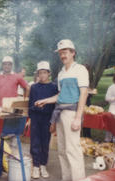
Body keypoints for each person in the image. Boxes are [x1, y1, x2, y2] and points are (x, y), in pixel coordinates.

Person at [35, 39, 88, 181]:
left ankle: (78, 178)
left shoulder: (80, 70)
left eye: (65, 52)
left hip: (72, 113)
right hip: (60, 113)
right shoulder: (62, 73)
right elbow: (60, 95)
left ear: (73, 53)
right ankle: (67, 178)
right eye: (60, 53)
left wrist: (78, 118)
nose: (62, 55)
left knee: (73, 150)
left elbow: (84, 93)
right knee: (62, 150)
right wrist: (45, 100)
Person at [29, 61, 58, 179]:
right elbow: (30, 104)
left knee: (45, 142)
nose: (42, 75)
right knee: (35, 142)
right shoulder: (34, 87)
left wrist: (54, 121)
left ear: (49, 73)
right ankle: (35, 165)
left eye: (44, 73)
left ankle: (43, 164)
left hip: (47, 118)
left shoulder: (54, 87)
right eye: (40, 73)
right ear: (37, 74)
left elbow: (56, 105)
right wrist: (30, 116)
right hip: (36, 118)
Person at [104, 73, 115, 144]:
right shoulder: (112, 87)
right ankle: (108, 139)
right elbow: (107, 98)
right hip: (113, 108)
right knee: (111, 124)